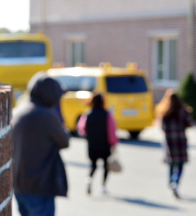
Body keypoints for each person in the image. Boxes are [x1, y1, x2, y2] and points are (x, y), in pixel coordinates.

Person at [12, 72, 70, 216]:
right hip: (39, 185)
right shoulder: (46, 115)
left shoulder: (19, 110)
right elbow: (64, 141)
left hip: (20, 185)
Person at [77, 93, 118, 194]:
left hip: (92, 145)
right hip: (104, 145)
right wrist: (114, 143)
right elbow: (112, 131)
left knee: (93, 165)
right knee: (105, 166)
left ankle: (89, 179)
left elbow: (81, 129)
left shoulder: (87, 114)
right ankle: (103, 186)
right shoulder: (107, 114)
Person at [155, 89, 193, 199]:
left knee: (171, 163)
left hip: (169, 141)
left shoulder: (164, 111)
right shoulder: (183, 111)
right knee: (180, 164)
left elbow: (162, 127)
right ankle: (175, 182)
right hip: (180, 140)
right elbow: (190, 123)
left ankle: (171, 182)